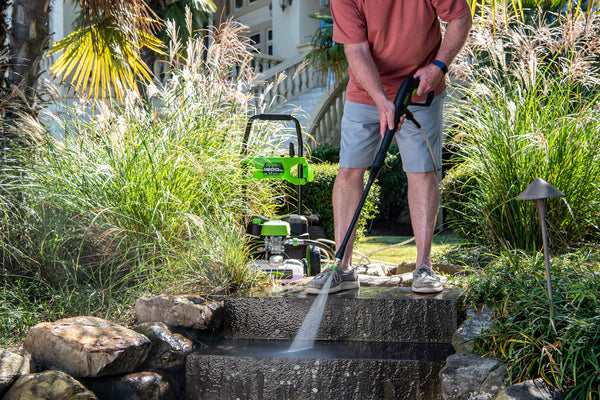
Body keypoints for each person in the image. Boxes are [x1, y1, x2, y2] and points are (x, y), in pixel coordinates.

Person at [306, 0, 472, 295]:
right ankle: (342, 268)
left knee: (422, 171)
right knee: (348, 172)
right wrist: (382, 101)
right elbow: (355, 49)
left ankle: (424, 267)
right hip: (366, 90)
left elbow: (460, 18)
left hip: (420, 87)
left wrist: (438, 67)